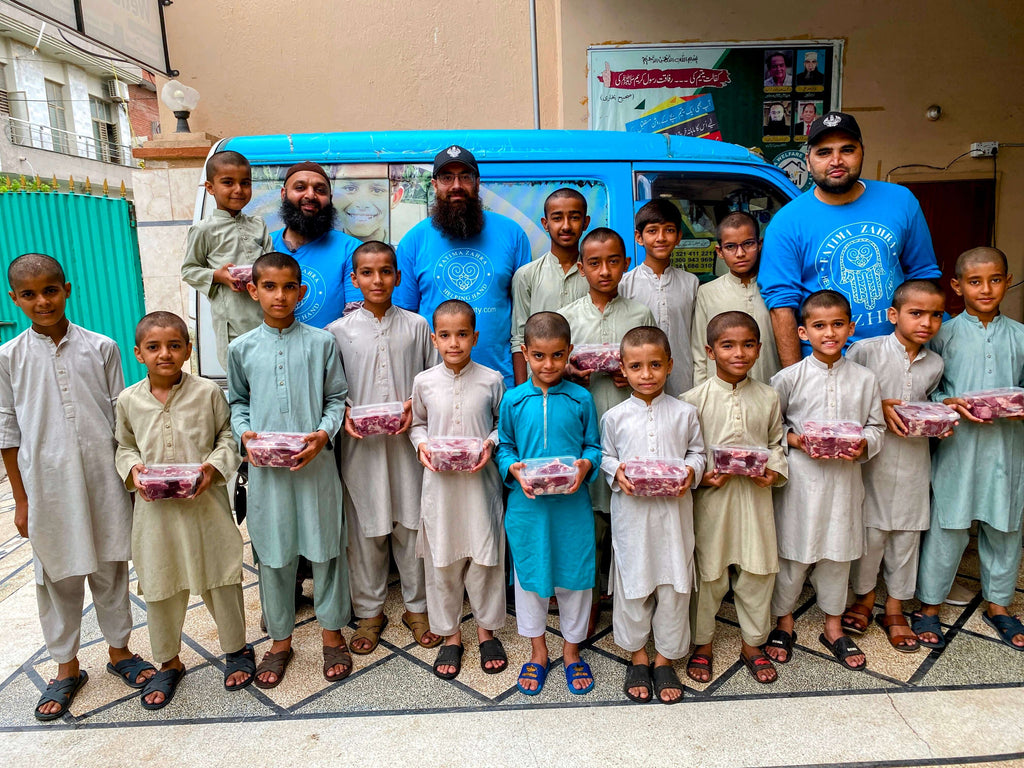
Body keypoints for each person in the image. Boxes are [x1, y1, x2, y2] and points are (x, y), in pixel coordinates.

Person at [0, 253, 155, 720]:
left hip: (104, 479)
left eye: (50, 290)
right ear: (14, 299)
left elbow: (121, 418)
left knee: (111, 567)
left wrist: (131, 480)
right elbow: (7, 432)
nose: (42, 301)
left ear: (67, 289)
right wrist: (21, 499)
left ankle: (119, 651)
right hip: (46, 486)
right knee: (57, 576)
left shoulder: (101, 347)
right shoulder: (8, 357)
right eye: (29, 294)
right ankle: (66, 666)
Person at [227, 251, 352, 688]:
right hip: (268, 473)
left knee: (327, 549)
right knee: (273, 554)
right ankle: (280, 641)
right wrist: (245, 435)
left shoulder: (322, 343)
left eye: (288, 287)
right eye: (269, 287)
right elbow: (237, 402)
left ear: (301, 291)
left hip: (316, 466)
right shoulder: (241, 348)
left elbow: (337, 397)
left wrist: (323, 434)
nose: (279, 296)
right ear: (253, 290)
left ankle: (332, 634)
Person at [115, 312, 252, 709]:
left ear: (188, 350)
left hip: (205, 506)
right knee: (160, 581)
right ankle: (168, 661)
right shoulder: (129, 400)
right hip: (155, 514)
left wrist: (212, 469)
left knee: (221, 575)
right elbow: (124, 446)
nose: (165, 354)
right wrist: (134, 470)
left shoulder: (207, 393)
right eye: (154, 347)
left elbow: (227, 438)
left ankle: (236, 649)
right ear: (138, 353)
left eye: (174, 345)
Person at [326, 241, 440, 656]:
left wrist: (414, 404)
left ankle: (417, 607)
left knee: (412, 524)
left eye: (386, 271)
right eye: (367, 273)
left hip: (408, 445)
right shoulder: (336, 333)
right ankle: (369, 612)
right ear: (354, 279)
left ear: (398, 276)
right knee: (365, 528)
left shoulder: (417, 326)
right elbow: (331, 391)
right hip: (361, 448)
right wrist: (345, 412)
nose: (378, 280)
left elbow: (433, 380)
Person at [759, 111, 941, 366]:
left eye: (847, 150)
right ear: (808, 161)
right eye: (824, 152)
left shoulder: (901, 201)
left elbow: (923, 276)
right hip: (828, 366)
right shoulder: (786, 223)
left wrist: (917, 350)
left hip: (899, 357)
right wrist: (796, 377)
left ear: (862, 152)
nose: (836, 161)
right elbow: (782, 306)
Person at [765, 290, 884, 671]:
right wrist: (798, 441)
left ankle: (833, 626)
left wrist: (862, 445)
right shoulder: (788, 378)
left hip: (845, 481)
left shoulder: (865, 380)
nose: (829, 333)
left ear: (851, 328)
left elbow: (877, 427)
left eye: (837, 325)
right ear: (803, 332)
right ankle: (784, 621)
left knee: (838, 553)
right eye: (819, 325)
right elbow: (771, 429)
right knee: (793, 553)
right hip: (801, 482)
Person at [913, 248, 1024, 652]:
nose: (986, 289)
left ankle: (999, 605)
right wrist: (946, 401)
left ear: (1007, 281)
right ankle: (929, 605)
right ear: (957, 286)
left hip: (1007, 447)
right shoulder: (942, 334)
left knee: (1006, 523)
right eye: (975, 281)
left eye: (995, 280)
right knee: (949, 523)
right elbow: (925, 390)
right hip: (957, 446)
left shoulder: (1020, 336)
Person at [497, 311, 602, 696]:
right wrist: (513, 469)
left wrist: (586, 465)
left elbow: (593, 446)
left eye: (557, 355)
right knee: (531, 581)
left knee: (575, 578)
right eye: (538, 356)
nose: (548, 364)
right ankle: (538, 651)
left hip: (572, 508)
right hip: (528, 510)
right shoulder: (513, 400)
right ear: (525, 353)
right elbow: (505, 447)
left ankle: (571, 651)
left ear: (569, 351)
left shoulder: (581, 398)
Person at [682, 311, 788, 686]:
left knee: (759, 571)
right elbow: (686, 455)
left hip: (756, 500)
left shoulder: (769, 397)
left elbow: (776, 443)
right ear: (711, 351)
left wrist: (773, 470)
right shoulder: (691, 401)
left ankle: (753, 643)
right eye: (728, 346)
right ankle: (703, 642)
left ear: (759, 349)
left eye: (747, 345)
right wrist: (701, 477)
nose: (739, 353)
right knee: (708, 573)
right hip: (712, 502)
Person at [843, 280, 948, 653]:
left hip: (915, 457)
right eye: (916, 313)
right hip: (875, 458)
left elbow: (928, 402)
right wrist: (880, 405)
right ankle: (864, 598)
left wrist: (940, 417)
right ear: (893, 314)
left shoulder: (935, 363)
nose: (926, 323)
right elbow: (843, 396)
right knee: (871, 531)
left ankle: (895, 607)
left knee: (908, 532)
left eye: (935, 315)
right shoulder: (865, 351)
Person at [601, 326, 704, 704]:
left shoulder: (685, 413)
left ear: (670, 365)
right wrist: (617, 473)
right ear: (623, 368)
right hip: (633, 519)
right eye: (637, 366)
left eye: (655, 365)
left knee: (674, 586)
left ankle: (664, 659)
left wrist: (690, 471)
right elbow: (606, 456)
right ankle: (638, 656)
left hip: (674, 519)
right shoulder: (613, 417)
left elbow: (698, 453)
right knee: (634, 584)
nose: (646, 374)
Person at [560, 228, 655, 630]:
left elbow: (655, 369)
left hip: (629, 429)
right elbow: (550, 370)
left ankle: (630, 596)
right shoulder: (567, 318)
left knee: (628, 515)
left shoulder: (640, 314)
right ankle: (592, 597)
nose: (604, 271)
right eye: (595, 263)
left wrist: (632, 375)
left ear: (626, 264)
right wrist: (568, 372)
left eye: (613, 261)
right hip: (583, 429)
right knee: (589, 521)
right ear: (581, 268)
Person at [410, 300, 507, 679]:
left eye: (462, 334)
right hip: (440, 489)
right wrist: (422, 446)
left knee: (484, 560)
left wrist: (490, 444)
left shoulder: (492, 380)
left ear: (475, 337)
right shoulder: (424, 382)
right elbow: (417, 424)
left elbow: (502, 426)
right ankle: (450, 634)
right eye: (446, 335)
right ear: (434, 339)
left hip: (480, 487)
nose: (454, 343)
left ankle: (486, 631)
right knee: (443, 562)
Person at [395, 145, 532, 387]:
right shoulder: (413, 241)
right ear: (435, 185)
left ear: (477, 183)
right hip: (434, 387)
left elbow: (525, 321)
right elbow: (405, 323)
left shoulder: (512, 235)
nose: (456, 185)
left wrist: (522, 391)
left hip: (502, 384)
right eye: (447, 177)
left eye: (465, 177)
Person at [181, 150, 273, 368]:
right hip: (232, 324)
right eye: (228, 182)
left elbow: (271, 264)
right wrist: (218, 276)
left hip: (266, 318)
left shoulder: (258, 225)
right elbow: (189, 270)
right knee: (242, 377)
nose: (238, 190)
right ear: (210, 187)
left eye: (245, 183)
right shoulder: (204, 230)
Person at [510, 188, 591, 384]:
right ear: (545, 224)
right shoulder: (526, 275)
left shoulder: (596, 275)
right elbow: (519, 338)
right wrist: (522, 393)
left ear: (585, 223)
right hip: (539, 388)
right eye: (557, 218)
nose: (566, 226)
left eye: (574, 217)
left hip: (588, 383)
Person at [691, 211, 780, 386]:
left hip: (771, 388)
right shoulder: (707, 293)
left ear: (759, 244)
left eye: (748, 244)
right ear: (720, 251)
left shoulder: (776, 288)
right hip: (721, 395)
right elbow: (700, 353)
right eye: (731, 246)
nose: (740, 253)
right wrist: (701, 395)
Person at [270, 161, 363, 327]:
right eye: (300, 188)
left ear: (330, 198)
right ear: (283, 194)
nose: (310, 195)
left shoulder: (351, 250)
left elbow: (356, 319)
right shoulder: (264, 245)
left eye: (320, 190)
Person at [620, 199, 699, 396]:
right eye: (652, 231)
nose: (661, 238)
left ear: (679, 236)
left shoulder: (691, 283)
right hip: (639, 382)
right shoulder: (624, 284)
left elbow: (696, 338)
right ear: (639, 237)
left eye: (669, 230)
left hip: (683, 381)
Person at [336, 176, 402, 243]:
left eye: (377, 190)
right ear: (332, 194)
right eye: (350, 188)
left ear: (395, 198)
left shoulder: (401, 249)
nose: (362, 205)